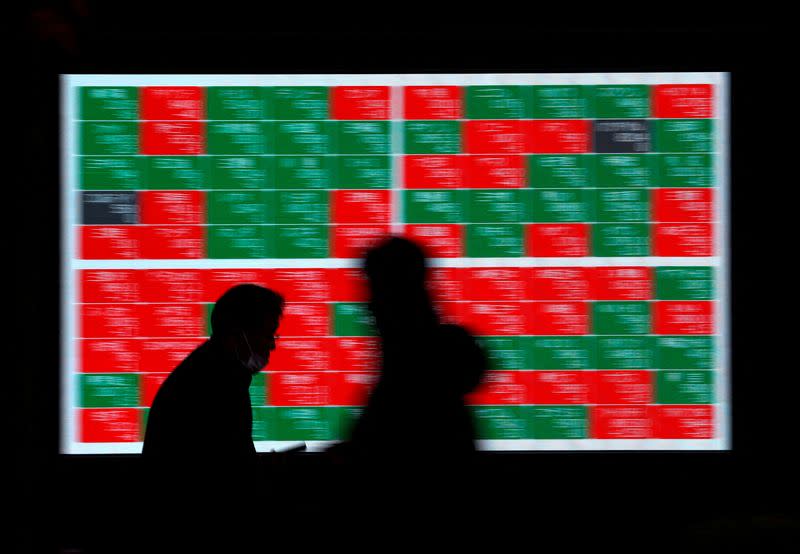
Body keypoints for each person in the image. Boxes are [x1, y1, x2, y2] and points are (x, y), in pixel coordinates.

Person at [329, 236, 488, 527]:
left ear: (397, 292)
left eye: (375, 290)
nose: (369, 306)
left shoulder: (413, 370)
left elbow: (397, 463)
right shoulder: (427, 362)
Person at [141, 283, 284, 549]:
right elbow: (224, 487)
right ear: (238, 334)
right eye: (267, 334)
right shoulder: (219, 384)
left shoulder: (209, 370)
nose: (271, 345)